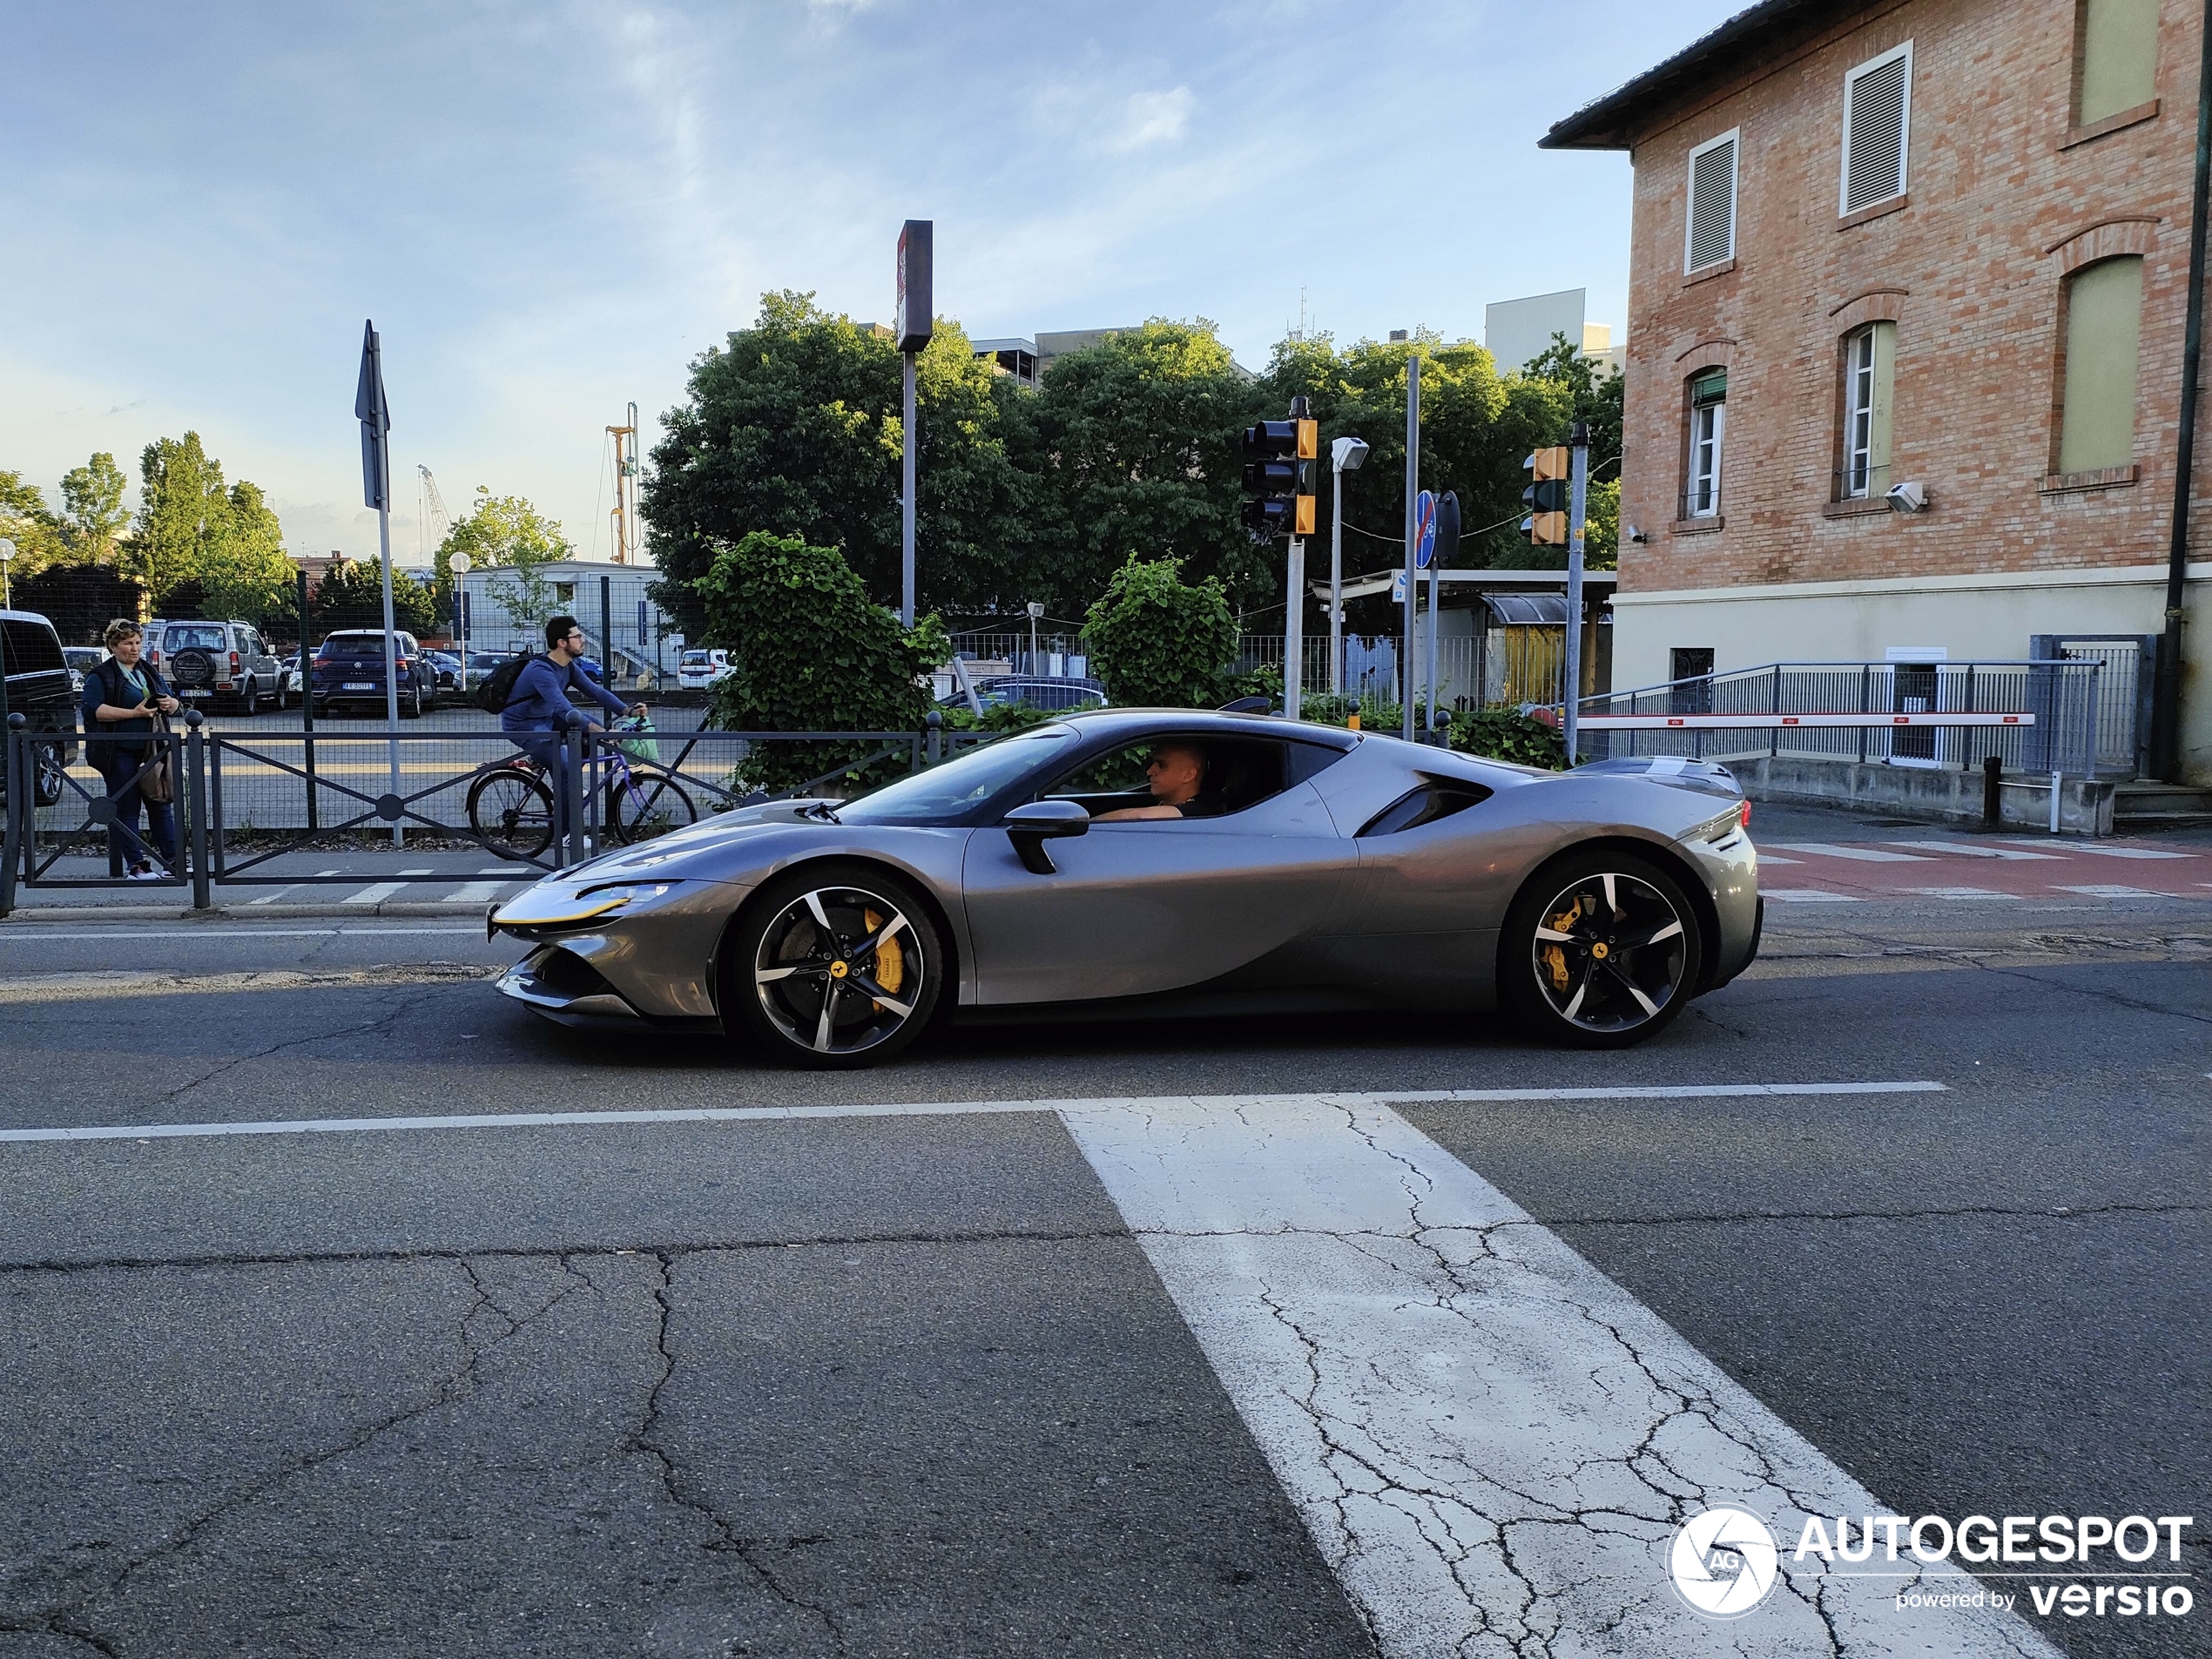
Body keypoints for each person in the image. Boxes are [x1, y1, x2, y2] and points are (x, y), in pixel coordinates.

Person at [499, 615, 645, 846]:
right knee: (567, 765)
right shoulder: (541, 670)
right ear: (561, 642)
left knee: (586, 732)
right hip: (524, 726)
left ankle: (554, 768)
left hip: (546, 718)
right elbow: (563, 708)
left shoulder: (569, 667)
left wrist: (627, 710)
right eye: (577, 636)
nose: (582, 640)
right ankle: (568, 835)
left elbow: (596, 692)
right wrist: (598, 730)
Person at [79, 619, 181, 880]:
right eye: (128, 643)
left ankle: (173, 862)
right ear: (114, 646)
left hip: (152, 749)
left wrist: (172, 703)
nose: (135, 648)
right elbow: (92, 710)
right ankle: (136, 866)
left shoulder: (146, 670)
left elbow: (169, 696)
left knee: (159, 803)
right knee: (126, 808)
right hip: (117, 750)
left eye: (138, 643)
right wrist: (133, 713)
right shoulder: (101, 675)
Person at [1093, 742, 1223, 820]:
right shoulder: (1165, 804)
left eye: (1162, 765)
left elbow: (1139, 816)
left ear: (1188, 775)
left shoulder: (1203, 810)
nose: (1149, 771)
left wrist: (1083, 825)